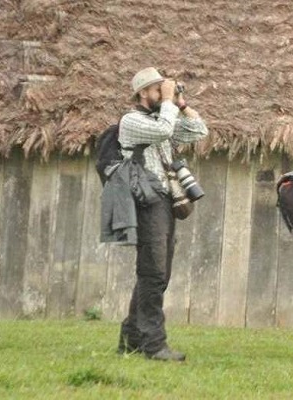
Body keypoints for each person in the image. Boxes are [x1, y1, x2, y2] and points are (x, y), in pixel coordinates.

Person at [116, 67, 209, 362]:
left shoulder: (163, 118)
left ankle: (131, 338)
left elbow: (198, 130)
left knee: (157, 273)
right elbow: (165, 130)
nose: (162, 93)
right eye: (157, 89)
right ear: (143, 93)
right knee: (154, 272)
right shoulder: (131, 121)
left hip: (165, 202)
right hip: (147, 202)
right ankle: (154, 345)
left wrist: (180, 103)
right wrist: (169, 102)